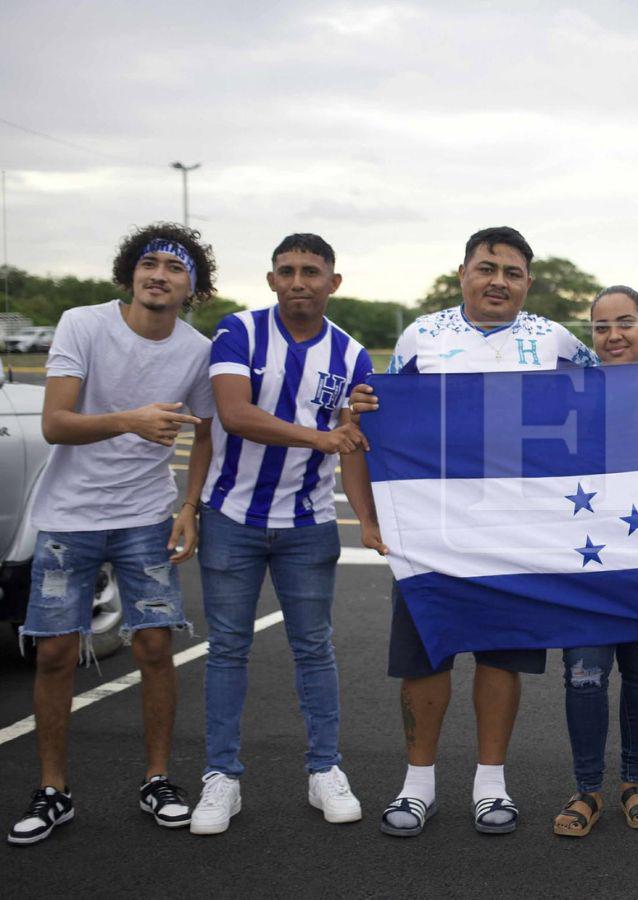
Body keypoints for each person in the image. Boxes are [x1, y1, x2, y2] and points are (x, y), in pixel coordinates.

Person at [345, 226, 598, 837]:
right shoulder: (421, 336)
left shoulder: (555, 340)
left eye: (512, 272)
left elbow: (610, 401)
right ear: (463, 274)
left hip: (517, 530)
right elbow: (376, 420)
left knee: (501, 655)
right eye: (486, 268)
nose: (498, 282)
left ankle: (491, 784)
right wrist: (369, 511)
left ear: (528, 282)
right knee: (425, 655)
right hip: (431, 528)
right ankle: (417, 785)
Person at [8, 223, 217, 845]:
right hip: (68, 516)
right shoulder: (83, 323)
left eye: (175, 268)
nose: (159, 275)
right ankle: (53, 790)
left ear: (192, 288)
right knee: (54, 653)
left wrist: (190, 506)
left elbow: (207, 433)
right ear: (130, 272)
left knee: (154, 646)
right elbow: (55, 424)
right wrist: (131, 420)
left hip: (145, 516)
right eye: (149, 264)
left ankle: (158, 780)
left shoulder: (196, 350)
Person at [188, 234, 376, 836]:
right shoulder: (238, 330)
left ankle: (325, 768)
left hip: (308, 523)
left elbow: (352, 444)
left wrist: (367, 519)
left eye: (311, 272)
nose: (299, 281)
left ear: (333, 283)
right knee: (228, 649)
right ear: (271, 279)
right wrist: (321, 437)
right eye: (287, 271)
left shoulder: (352, 354)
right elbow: (235, 414)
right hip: (232, 517)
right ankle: (222, 775)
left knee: (315, 648)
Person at [552, 286, 638, 838]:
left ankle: (634, 782)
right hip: (585, 559)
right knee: (584, 676)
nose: (614, 335)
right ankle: (588, 789)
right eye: (601, 327)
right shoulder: (567, 394)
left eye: (625, 323)